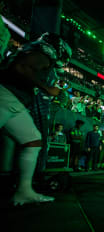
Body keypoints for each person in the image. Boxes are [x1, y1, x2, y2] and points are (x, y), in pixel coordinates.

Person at [0, 33, 70, 205]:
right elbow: (22, 68)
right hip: (6, 96)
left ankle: (24, 191)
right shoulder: (43, 53)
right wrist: (47, 88)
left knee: (32, 141)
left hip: (15, 102)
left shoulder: (32, 49)